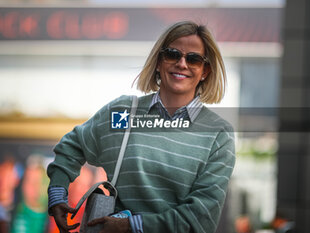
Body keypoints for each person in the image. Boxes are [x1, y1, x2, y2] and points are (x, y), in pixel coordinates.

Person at [47, 20, 236, 233]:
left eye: (193, 59)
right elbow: (73, 145)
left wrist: (131, 226)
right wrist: (56, 195)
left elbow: (201, 218)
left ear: (205, 71)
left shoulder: (218, 134)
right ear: (158, 61)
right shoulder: (124, 112)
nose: (182, 64)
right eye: (173, 54)